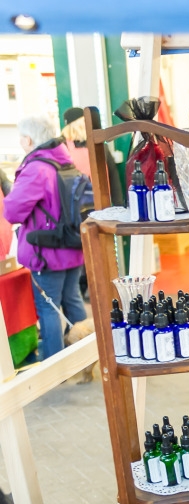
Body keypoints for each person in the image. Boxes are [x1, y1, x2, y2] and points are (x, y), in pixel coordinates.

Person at [3, 115, 88, 360]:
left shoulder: (36, 169)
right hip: (72, 245)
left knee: (49, 308)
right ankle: (87, 358)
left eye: (21, 137)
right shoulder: (65, 161)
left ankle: (55, 367)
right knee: (73, 300)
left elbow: (12, 211)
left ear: (28, 139)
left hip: (47, 252)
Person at [61, 107, 124, 206]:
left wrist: (118, 204)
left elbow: (113, 175)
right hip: (76, 207)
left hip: (103, 203)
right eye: (84, 122)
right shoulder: (63, 148)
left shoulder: (99, 146)